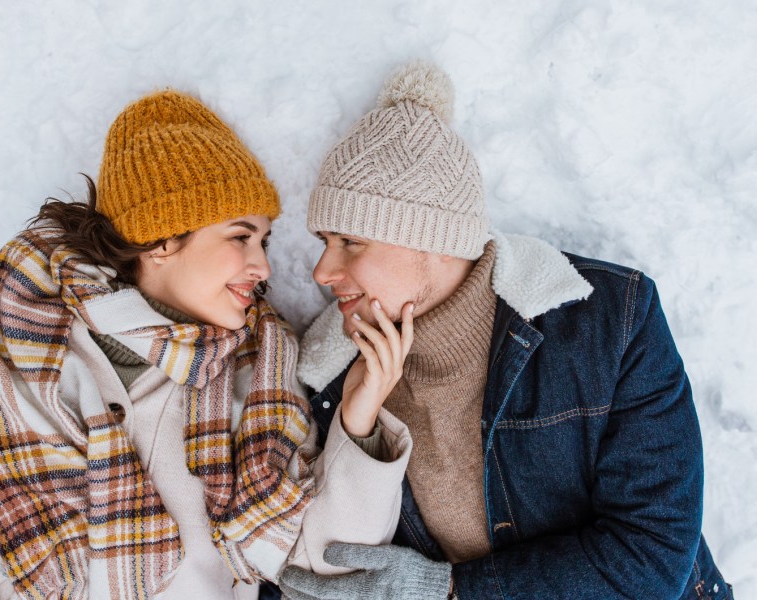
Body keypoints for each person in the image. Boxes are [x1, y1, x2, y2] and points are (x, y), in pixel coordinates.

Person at [278, 63, 732, 599]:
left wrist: (448, 590)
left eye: (349, 242)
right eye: (322, 242)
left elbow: (650, 556)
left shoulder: (609, 322)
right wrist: (357, 434)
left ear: (434, 239)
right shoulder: (325, 377)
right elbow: (315, 570)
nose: (321, 272)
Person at [0, 90, 414, 599]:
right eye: (240, 237)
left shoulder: (259, 372)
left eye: (263, 241)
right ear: (162, 240)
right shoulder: (16, 335)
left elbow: (328, 566)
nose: (263, 267)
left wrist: (361, 422)